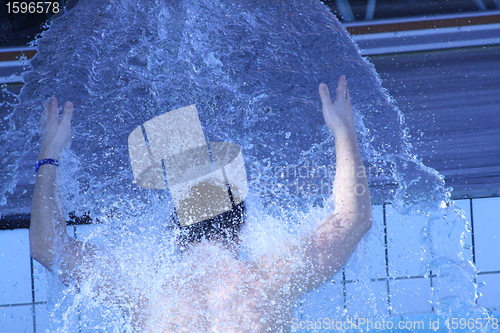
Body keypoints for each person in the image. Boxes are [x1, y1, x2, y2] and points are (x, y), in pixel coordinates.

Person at [30, 75, 372, 332]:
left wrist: (49, 154)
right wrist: (344, 131)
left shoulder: (145, 288)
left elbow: (48, 246)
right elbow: (353, 218)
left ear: (174, 230)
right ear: (242, 227)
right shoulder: (272, 278)